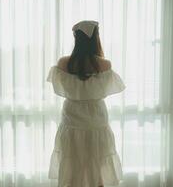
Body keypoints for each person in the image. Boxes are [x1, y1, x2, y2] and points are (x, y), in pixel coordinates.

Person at [47, 20, 125, 187]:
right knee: (98, 167)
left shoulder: (63, 63)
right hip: (96, 118)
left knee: (72, 167)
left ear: (76, 38)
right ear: (96, 37)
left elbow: (60, 88)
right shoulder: (104, 65)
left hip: (72, 117)